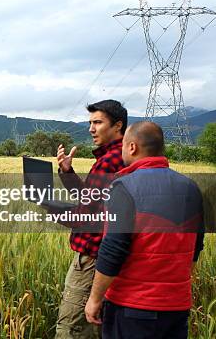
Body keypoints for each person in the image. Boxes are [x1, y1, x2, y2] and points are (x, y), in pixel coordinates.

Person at [84, 121, 205, 339]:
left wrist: (94, 299)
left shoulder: (124, 187)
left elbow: (113, 249)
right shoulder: (190, 187)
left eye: (123, 146)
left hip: (132, 307)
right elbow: (196, 247)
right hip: (176, 308)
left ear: (132, 148)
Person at [54, 100, 127, 339]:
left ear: (118, 126)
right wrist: (67, 172)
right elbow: (91, 199)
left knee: (72, 329)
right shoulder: (119, 157)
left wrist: (48, 207)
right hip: (105, 258)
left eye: (97, 122)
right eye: (90, 123)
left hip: (93, 260)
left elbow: (88, 215)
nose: (91, 129)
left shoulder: (110, 162)